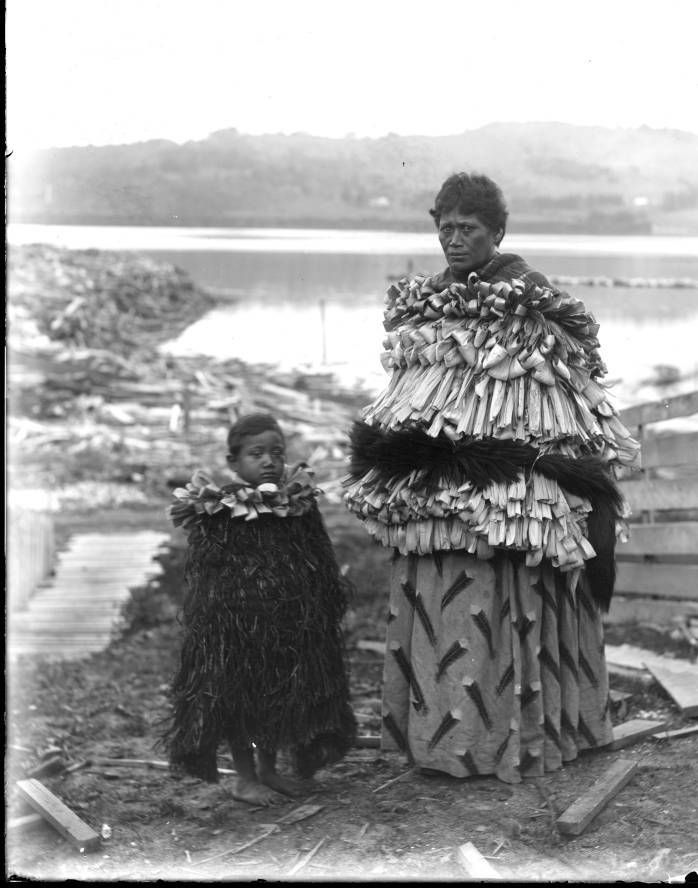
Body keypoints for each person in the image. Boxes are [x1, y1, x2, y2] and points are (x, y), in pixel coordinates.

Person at [345, 172, 639, 783]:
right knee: (442, 602)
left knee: (503, 602)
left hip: (511, 499)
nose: (453, 240)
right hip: (439, 496)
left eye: (468, 229)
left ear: (497, 233)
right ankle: (445, 738)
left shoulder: (530, 299)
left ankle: (515, 738)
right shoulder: (428, 303)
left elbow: (552, 401)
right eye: (446, 228)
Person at [162, 412, 356, 805]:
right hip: (237, 630)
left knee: (278, 697)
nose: (269, 461)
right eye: (256, 454)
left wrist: (323, 604)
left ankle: (269, 770)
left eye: (277, 452)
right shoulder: (220, 511)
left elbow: (318, 558)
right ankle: (245, 777)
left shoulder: (297, 506)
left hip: (288, 625)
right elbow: (208, 572)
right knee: (241, 702)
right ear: (233, 462)